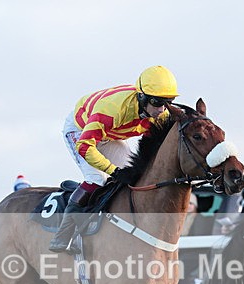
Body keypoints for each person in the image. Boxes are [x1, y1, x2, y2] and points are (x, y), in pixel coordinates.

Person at [49, 65, 179, 254]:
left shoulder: (159, 113)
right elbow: (85, 147)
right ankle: (64, 235)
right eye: (157, 102)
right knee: (98, 179)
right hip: (81, 131)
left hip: (109, 135)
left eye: (168, 102)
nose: (162, 110)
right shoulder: (111, 110)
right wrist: (114, 171)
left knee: (136, 177)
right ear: (142, 97)